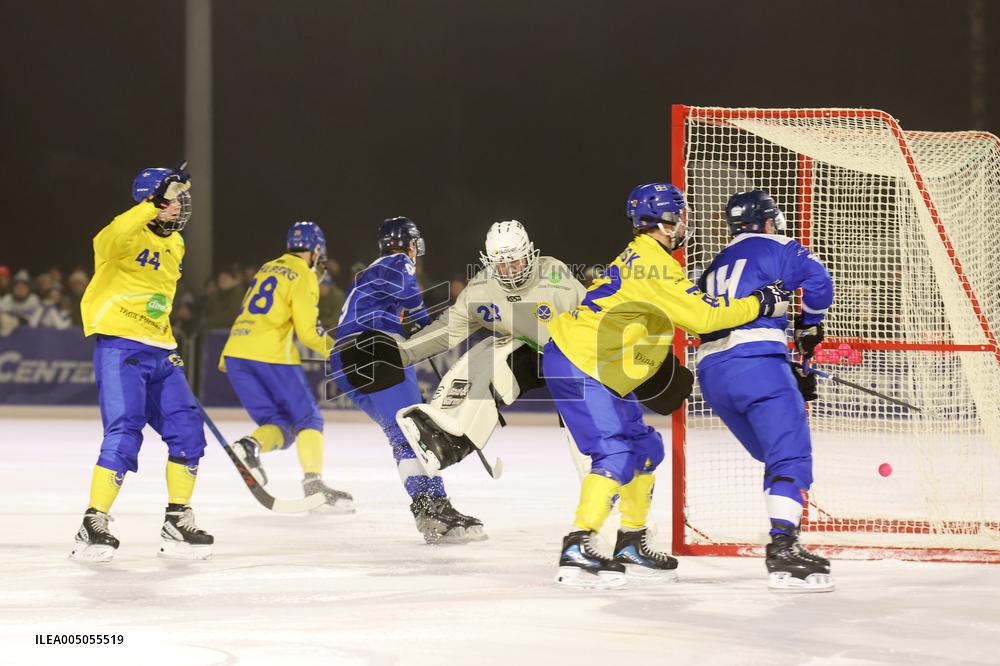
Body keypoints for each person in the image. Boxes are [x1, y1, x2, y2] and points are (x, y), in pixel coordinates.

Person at [541, 183, 792, 588]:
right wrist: (761, 302)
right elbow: (705, 318)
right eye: (681, 216)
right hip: (579, 363)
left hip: (600, 368)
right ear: (667, 220)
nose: (685, 224)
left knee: (644, 448)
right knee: (614, 452)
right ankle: (578, 544)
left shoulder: (648, 258)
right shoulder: (652, 263)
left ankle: (631, 540)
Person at [71, 163, 214, 562]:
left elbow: (158, 300)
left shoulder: (177, 244)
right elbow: (109, 237)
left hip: (159, 349)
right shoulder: (123, 233)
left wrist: (165, 343)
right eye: (172, 201)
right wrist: (154, 202)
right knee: (125, 430)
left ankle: (177, 518)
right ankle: (92, 522)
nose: (179, 207)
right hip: (121, 346)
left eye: (179, 200)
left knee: (187, 429)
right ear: (151, 200)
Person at [696, 190, 834, 592]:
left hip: (713, 373)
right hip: (756, 365)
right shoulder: (776, 245)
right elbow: (818, 279)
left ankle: (784, 537)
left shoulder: (713, 265)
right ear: (769, 221)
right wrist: (808, 327)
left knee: (770, 454)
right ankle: (784, 548)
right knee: (789, 455)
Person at [388, 220, 587, 482]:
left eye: (515, 261)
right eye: (501, 264)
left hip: (571, 355)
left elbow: (592, 318)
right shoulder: (481, 290)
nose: (510, 271)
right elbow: (447, 331)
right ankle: (447, 442)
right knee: (485, 356)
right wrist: (399, 352)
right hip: (527, 353)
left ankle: (604, 483)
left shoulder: (555, 275)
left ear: (530, 254)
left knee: (584, 428)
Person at [332, 217, 479, 543]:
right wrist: (427, 326)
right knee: (415, 431)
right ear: (411, 244)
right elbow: (409, 295)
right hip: (374, 348)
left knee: (402, 434)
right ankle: (434, 508)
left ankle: (430, 508)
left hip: (343, 358)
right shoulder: (398, 261)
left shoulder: (371, 269)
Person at [220, 221, 353, 512]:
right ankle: (314, 485)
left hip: (235, 355)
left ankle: (248, 447)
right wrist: (340, 350)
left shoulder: (267, 267)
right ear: (316, 249)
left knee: (279, 424)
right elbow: (308, 333)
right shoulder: (303, 274)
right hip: (270, 355)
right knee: (309, 420)